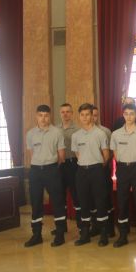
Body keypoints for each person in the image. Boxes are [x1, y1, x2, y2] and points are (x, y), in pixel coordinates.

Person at [24, 105, 66, 247]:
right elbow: (32, 154)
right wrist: (39, 164)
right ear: (36, 116)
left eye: (46, 115)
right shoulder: (30, 134)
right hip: (35, 171)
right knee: (36, 202)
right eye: (40, 115)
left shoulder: (57, 132)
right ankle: (36, 235)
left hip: (52, 169)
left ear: (50, 116)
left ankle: (60, 234)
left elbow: (61, 156)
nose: (43, 118)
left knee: (57, 202)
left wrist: (51, 166)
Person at [110, 104, 136, 248]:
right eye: (126, 113)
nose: (129, 116)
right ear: (123, 115)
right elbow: (115, 154)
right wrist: (124, 164)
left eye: (131, 113)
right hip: (122, 168)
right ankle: (122, 236)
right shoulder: (115, 134)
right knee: (122, 201)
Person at [71, 103, 110, 246]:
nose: (85, 117)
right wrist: (85, 163)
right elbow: (77, 154)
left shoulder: (100, 133)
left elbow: (106, 155)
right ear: (79, 116)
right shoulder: (76, 135)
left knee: (100, 201)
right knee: (84, 202)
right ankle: (85, 234)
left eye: (87, 114)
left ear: (92, 116)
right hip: (82, 171)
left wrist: (96, 165)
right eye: (82, 115)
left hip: (97, 170)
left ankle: (103, 234)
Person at [92, 105, 116, 238]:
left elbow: (111, 151)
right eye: (91, 115)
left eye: (95, 115)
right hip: (90, 171)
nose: (93, 118)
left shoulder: (105, 131)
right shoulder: (82, 132)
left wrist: (103, 165)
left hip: (103, 170)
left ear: (98, 116)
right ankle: (96, 227)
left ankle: (110, 228)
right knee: (93, 199)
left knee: (106, 199)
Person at [59, 103, 80, 226]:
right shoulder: (55, 129)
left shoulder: (78, 130)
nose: (65, 114)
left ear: (72, 114)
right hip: (60, 165)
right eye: (63, 112)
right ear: (60, 114)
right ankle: (62, 227)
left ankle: (81, 226)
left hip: (73, 164)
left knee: (76, 194)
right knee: (60, 196)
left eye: (68, 112)